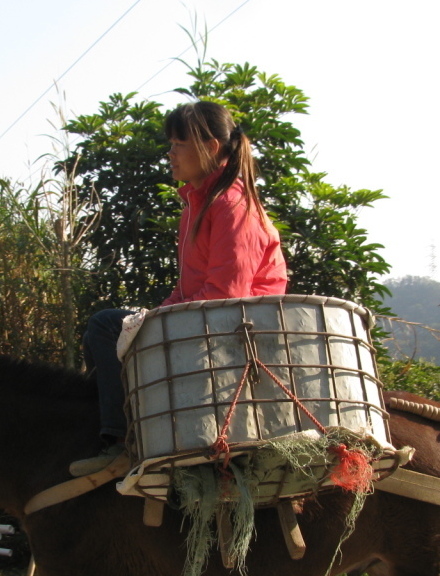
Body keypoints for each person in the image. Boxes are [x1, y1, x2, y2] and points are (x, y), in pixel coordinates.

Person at [71, 100, 288, 475]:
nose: (170, 153)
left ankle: (123, 444)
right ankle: (117, 434)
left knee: (106, 327)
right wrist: (152, 316)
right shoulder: (197, 204)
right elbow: (188, 290)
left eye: (179, 143)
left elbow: (225, 297)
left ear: (211, 148)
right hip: (204, 321)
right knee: (112, 330)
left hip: (238, 334)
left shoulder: (231, 206)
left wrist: (155, 322)